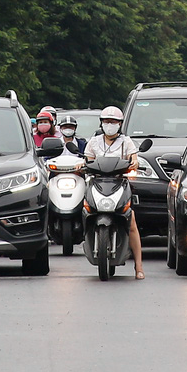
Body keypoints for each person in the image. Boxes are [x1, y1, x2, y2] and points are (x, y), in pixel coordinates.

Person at [83, 107, 146, 279]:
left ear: (120, 124)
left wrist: (134, 163)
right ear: (101, 123)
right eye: (106, 122)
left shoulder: (126, 142)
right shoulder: (94, 142)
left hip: (119, 182)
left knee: (131, 220)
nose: (110, 125)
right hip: (97, 183)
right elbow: (87, 161)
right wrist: (79, 166)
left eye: (113, 122)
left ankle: (139, 267)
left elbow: (134, 159)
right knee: (85, 210)